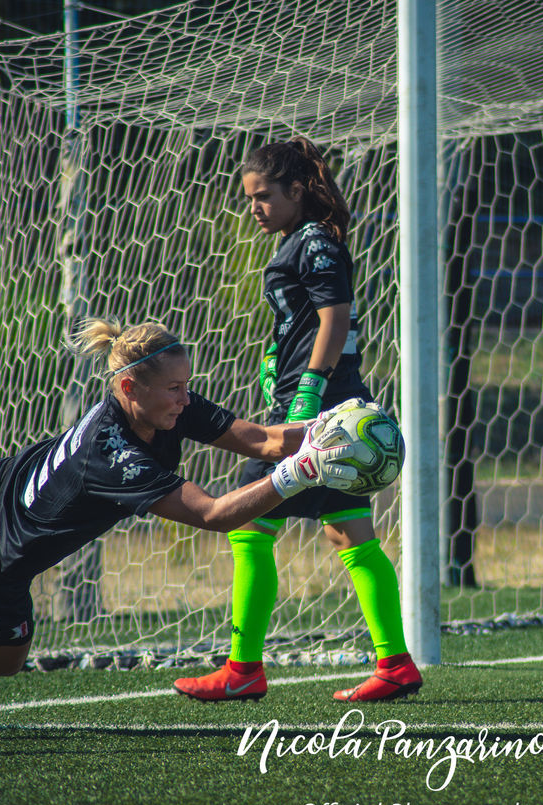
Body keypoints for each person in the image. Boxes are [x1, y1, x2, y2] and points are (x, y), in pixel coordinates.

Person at [0, 318, 359, 681]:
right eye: (176, 389)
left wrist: (332, 425)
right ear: (130, 388)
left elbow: (259, 438)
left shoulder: (159, 401)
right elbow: (211, 515)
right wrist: (299, 474)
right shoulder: (116, 457)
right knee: (0, 661)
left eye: (188, 385)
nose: (187, 399)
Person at [173, 136, 422, 703]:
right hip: (315, 404)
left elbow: (335, 320)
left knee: (246, 525)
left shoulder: (314, 244)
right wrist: (275, 362)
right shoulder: (301, 241)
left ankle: (242, 671)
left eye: (262, 196)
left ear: (295, 190)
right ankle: (396, 664)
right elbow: (306, 321)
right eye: (249, 198)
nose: (255, 207)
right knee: (351, 536)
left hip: (315, 410)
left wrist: (307, 390)